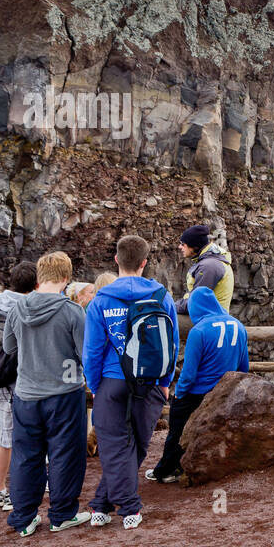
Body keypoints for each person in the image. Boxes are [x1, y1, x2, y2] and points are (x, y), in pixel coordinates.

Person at [83, 235, 178, 529]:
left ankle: (128, 508)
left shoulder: (101, 300)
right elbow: (172, 343)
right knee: (136, 443)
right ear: (144, 263)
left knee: (113, 445)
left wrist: (96, 387)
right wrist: (166, 381)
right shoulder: (162, 296)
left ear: (116, 260)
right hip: (149, 380)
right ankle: (102, 503)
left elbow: (92, 351)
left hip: (112, 379)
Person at [1, 252, 91, 537]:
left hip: (26, 393)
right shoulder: (73, 312)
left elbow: (8, 348)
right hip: (64, 392)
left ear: (40, 276)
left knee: (26, 455)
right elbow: (85, 354)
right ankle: (62, 514)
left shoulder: (16, 309)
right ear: (66, 278)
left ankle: (24, 517)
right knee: (65, 454)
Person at [146, 286, 247, 484]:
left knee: (177, 429)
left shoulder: (198, 331)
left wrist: (180, 394)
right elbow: (244, 366)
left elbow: (189, 373)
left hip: (197, 393)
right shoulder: (238, 326)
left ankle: (167, 470)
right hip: (225, 392)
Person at [0, 261, 37, 512]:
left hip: (0, 376)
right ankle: (27, 485)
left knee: (3, 437)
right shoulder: (28, 307)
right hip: (25, 377)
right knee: (31, 434)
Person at [174, 225, 234, 315]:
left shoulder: (209, 266)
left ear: (194, 246)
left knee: (166, 319)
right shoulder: (209, 260)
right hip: (207, 315)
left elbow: (196, 302)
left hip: (209, 319)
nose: (180, 247)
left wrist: (170, 306)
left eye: (183, 244)